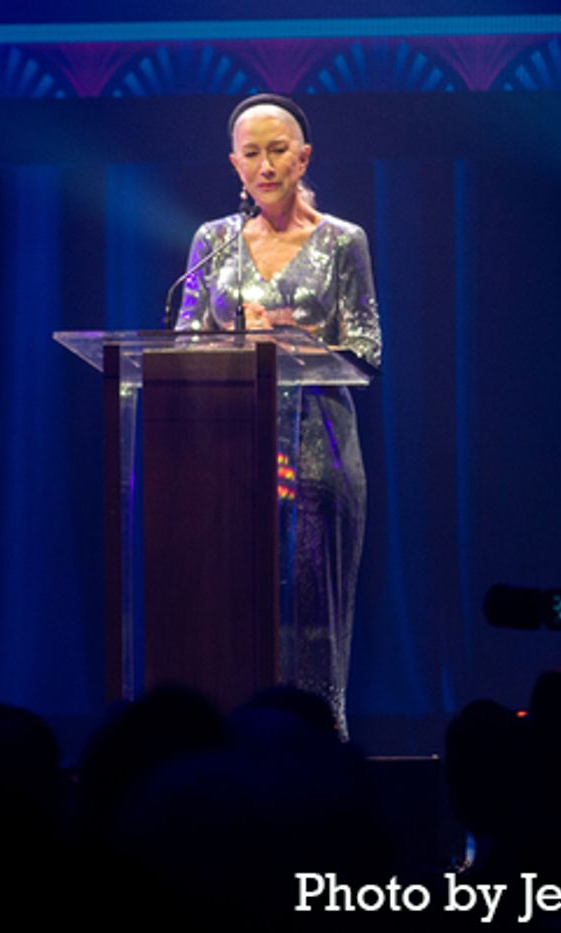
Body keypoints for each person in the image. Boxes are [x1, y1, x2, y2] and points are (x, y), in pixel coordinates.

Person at [175, 94, 382, 737]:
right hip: (231, 453)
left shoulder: (343, 241)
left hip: (318, 454)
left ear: (304, 157)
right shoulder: (213, 243)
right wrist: (235, 346)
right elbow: (183, 343)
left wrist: (291, 341)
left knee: (312, 609)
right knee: (231, 603)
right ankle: (226, 740)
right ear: (234, 164)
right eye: (252, 153)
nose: (266, 165)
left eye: (278, 150)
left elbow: (368, 355)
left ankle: (318, 740)